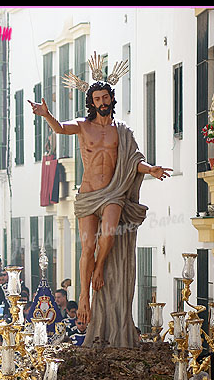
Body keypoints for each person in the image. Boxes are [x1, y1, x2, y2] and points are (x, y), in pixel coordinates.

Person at [29, 76, 171, 340]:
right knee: (86, 247)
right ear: (91, 102)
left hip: (113, 193)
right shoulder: (84, 126)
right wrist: (46, 115)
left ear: (111, 99)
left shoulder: (123, 132)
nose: (102, 102)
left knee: (108, 233)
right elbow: (60, 128)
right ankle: (84, 295)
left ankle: (99, 267)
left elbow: (132, 161)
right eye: (97, 99)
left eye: (105, 98)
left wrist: (150, 169)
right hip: (88, 194)